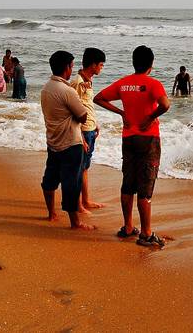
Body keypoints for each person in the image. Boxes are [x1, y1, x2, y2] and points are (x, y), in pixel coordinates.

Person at [94, 45, 170, 247]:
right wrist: (150, 118)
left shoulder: (124, 83)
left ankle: (128, 227)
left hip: (128, 138)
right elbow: (165, 105)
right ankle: (145, 234)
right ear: (151, 65)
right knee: (145, 187)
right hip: (148, 139)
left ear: (134, 63)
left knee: (128, 183)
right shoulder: (153, 84)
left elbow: (98, 98)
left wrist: (121, 112)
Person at [39, 50, 94, 230]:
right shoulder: (67, 90)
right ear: (66, 68)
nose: (73, 69)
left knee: (50, 180)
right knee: (71, 184)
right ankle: (75, 223)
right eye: (71, 66)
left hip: (53, 141)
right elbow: (82, 116)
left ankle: (51, 213)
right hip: (70, 143)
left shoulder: (46, 87)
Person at [70, 47, 106, 213]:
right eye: (101, 64)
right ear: (93, 65)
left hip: (90, 129)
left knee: (84, 168)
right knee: (78, 169)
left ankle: (86, 200)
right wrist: (81, 137)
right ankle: (78, 205)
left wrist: (95, 123)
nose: (102, 68)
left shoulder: (87, 81)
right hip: (83, 131)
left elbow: (86, 105)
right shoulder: (78, 82)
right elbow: (73, 111)